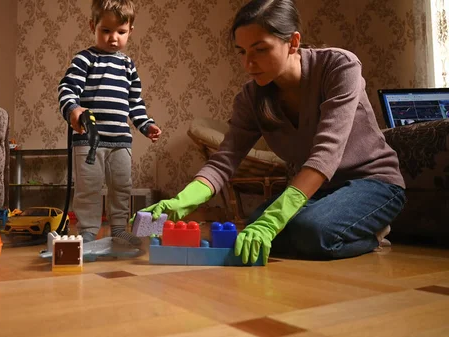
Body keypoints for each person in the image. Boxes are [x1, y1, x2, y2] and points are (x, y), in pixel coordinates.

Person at [136, 0, 406, 264]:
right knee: (253, 228)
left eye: (260, 49)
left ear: (294, 42)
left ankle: (373, 236)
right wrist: (178, 204)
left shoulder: (339, 67)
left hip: (373, 182)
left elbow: (327, 152)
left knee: (311, 231)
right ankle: (329, 224)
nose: (248, 64)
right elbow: (223, 161)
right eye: (241, 52)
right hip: (319, 191)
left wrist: (275, 220)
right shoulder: (251, 97)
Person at [58, 0, 161, 246]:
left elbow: (135, 102)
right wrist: (73, 109)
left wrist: (146, 125)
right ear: (93, 26)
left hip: (120, 140)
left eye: (121, 32)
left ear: (130, 31)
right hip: (89, 139)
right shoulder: (85, 59)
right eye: (106, 30)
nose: (113, 38)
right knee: (89, 188)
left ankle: (118, 228)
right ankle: (88, 231)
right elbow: (67, 89)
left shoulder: (127, 65)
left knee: (121, 186)